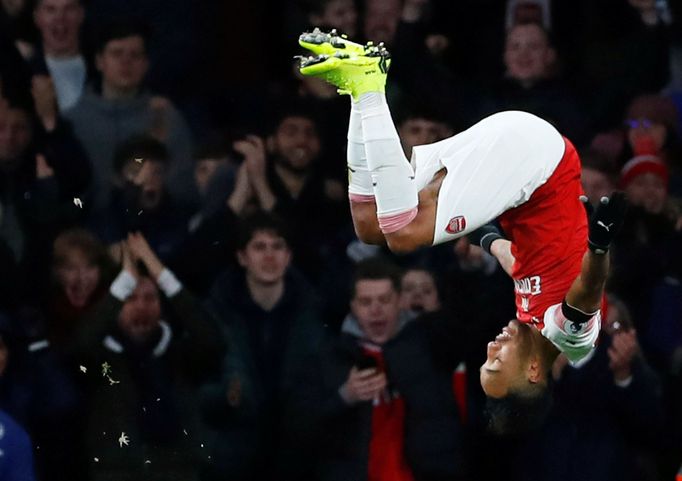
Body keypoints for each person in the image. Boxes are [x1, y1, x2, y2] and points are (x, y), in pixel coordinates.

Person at [297, 30, 628, 433]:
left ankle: (356, 89)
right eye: (496, 361)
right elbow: (587, 294)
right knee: (402, 235)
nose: (490, 348)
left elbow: (515, 260)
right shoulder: (571, 342)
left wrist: (484, 236)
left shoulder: (531, 311)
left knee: (370, 228)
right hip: (537, 163)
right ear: (535, 371)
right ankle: (370, 81)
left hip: (517, 161)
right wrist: (598, 248)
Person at [286, 258, 468, 481]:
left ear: (400, 301)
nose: (376, 310)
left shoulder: (430, 346)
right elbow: (299, 430)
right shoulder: (330, 358)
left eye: (384, 299)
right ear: (352, 306)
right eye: (365, 302)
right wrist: (344, 397)